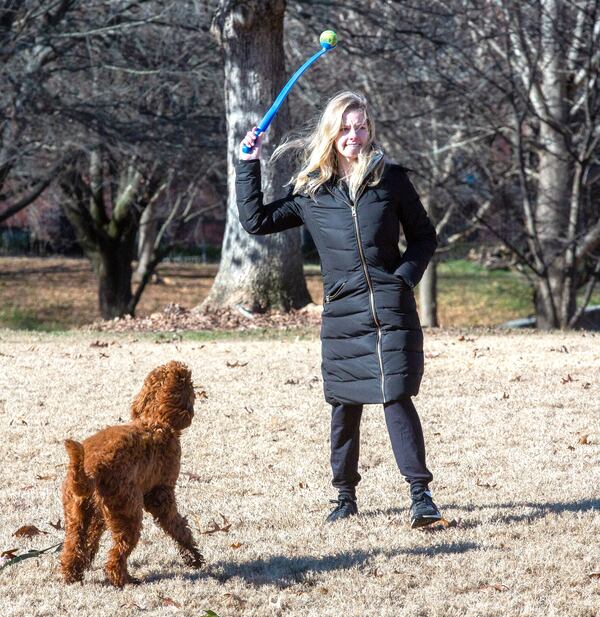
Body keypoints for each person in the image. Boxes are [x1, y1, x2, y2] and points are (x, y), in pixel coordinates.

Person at [236, 91, 441, 528]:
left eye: (361, 126)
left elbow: (425, 237)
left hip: (390, 307)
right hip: (342, 313)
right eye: (346, 128)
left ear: (370, 129)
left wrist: (402, 277)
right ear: (332, 132)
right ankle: (345, 498)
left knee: (395, 395)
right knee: (345, 404)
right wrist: (247, 163)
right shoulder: (311, 191)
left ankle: (420, 497)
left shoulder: (391, 180)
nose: (355, 135)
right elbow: (256, 220)